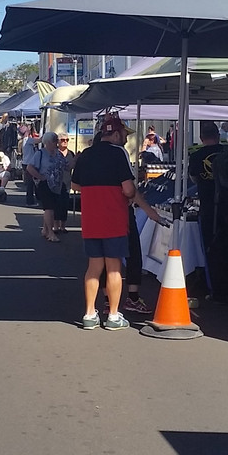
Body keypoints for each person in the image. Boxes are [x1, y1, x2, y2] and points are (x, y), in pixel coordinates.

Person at [71, 115, 165, 331]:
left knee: (93, 267)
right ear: (114, 133)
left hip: (91, 219)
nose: (125, 138)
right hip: (113, 217)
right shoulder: (117, 155)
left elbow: (76, 185)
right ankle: (113, 316)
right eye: (123, 134)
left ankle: (89, 314)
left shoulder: (86, 155)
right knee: (113, 268)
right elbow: (129, 190)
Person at [189, 120, 228, 302]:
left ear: (201, 137)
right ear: (218, 135)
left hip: (208, 207)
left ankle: (216, 290)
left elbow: (193, 178)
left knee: (212, 248)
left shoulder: (197, 156)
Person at [25, 131, 67, 242]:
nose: (57, 143)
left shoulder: (58, 153)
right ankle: (51, 233)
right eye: (55, 141)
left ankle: (45, 229)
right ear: (48, 142)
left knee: (51, 207)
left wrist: (76, 159)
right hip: (45, 184)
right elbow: (30, 168)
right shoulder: (40, 153)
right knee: (49, 208)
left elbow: (67, 166)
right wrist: (40, 177)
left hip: (56, 185)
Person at [56, 133, 76, 233]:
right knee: (56, 204)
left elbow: (71, 168)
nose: (65, 142)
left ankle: (63, 226)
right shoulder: (54, 153)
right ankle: (56, 226)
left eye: (67, 140)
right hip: (55, 183)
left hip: (66, 182)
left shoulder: (71, 154)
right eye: (62, 140)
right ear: (57, 142)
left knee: (64, 204)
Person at [21, 128, 38, 206]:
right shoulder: (28, 140)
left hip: (25, 162)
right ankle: (30, 201)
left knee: (30, 183)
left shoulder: (24, 141)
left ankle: (31, 200)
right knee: (31, 183)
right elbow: (39, 140)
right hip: (29, 164)